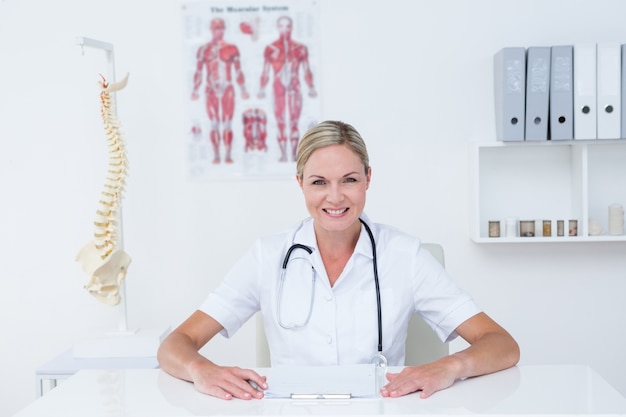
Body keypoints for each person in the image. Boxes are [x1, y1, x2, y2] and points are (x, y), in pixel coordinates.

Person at [157, 120, 520, 400]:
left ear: (367, 179)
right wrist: (201, 370)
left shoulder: (404, 255)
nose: (335, 197)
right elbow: (175, 344)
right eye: (319, 182)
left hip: (379, 408)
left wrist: (449, 367)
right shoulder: (267, 256)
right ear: (300, 183)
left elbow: (501, 344)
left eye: (348, 179)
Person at [257, 15, 317, 163]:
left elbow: (306, 70)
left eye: (288, 26)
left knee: (294, 122)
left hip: (294, 87)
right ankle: (283, 155)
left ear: (292, 28)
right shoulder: (270, 49)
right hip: (278, 88)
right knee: (281, 122)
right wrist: (262, 88)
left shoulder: (300, 49)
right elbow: (265, 71)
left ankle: (294, 155)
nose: (285, 30)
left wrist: (311, 87)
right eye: (282, 26)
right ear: (278, 28)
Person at [191, 18, 249, 164]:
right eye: (215, 28)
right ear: (211, 29)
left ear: (224, 29)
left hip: (227, 88)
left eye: (221, 28)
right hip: (211, 89)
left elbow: (238, 70)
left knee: (228, 123)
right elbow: (198, 71)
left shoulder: (232, 48)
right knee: (214, 123)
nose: (218, 31)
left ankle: (228, 154)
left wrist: (242, 89)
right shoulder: (203, 49)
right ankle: (216, 155)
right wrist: (195, 89)